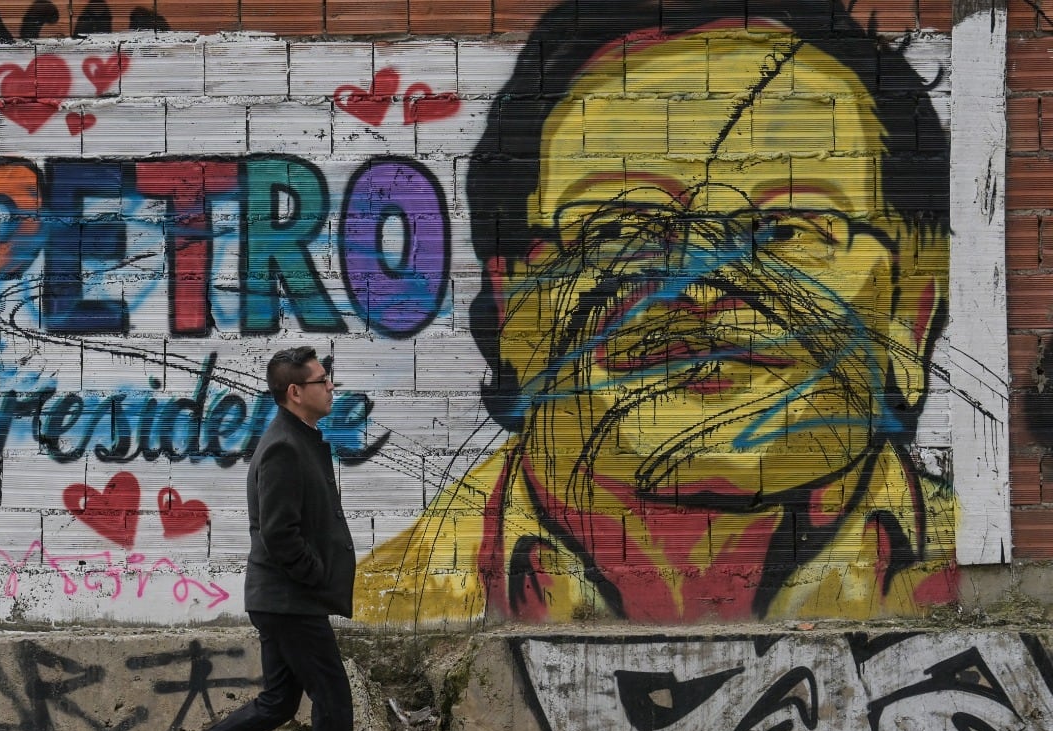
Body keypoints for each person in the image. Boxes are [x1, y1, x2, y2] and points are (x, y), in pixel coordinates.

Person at [355, 0, 958, 626]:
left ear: (913, 306)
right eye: (621, 227)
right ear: (512, 296)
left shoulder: (977, 564)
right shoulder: (395, 607)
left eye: (787, 228)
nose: (698, 283)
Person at [155, 346, 394, 731]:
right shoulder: (284, 445)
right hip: (289, 598)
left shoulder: (301, 437)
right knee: (332, 695)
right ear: (295, 392)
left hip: (285, 597)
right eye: (323, 380)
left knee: (279, 702)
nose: (331, 387)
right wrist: (316, 578)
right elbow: (279, 532)